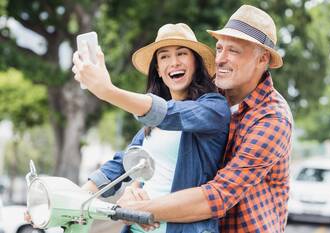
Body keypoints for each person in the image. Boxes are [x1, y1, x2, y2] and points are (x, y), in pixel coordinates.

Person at [116, 5, 293, 233]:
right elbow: (156, 147)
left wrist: (142, 208)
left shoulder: (273, 118)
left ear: (263, 59)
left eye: (234, 51)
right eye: (219, 48)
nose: (220, 59)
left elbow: (219, 195)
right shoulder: (208, 97)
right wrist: (138, 186)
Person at [72, 23, 231, 233]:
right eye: (164, 56)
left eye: (182, 53)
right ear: (158, 69)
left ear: (196, 62)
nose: (173, 62)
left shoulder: (213, 108)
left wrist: (107, 91)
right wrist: (75, 198)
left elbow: (169, 113)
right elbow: (125, 161)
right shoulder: (152, 125)